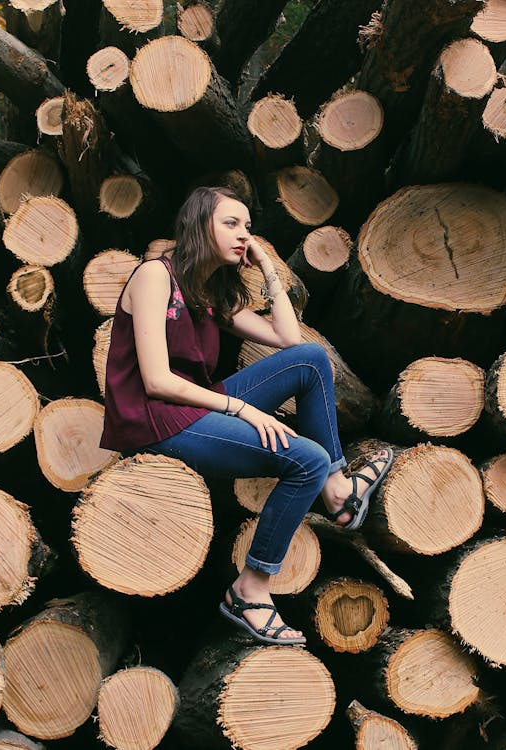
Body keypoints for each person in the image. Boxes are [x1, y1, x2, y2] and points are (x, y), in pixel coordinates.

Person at [100, 186, 393, 646]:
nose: (243, 235)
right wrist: (243, 409)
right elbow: (156, 380)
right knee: (306, 460)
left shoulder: (207, 290)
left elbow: (290, 341)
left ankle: (337, 491)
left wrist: (269, 268)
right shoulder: (155, 277)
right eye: (231, 224)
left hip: (192, 406)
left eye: (248, 227)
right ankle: (250, 588)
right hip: (156, 421)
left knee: (311, 359)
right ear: (200, 226)